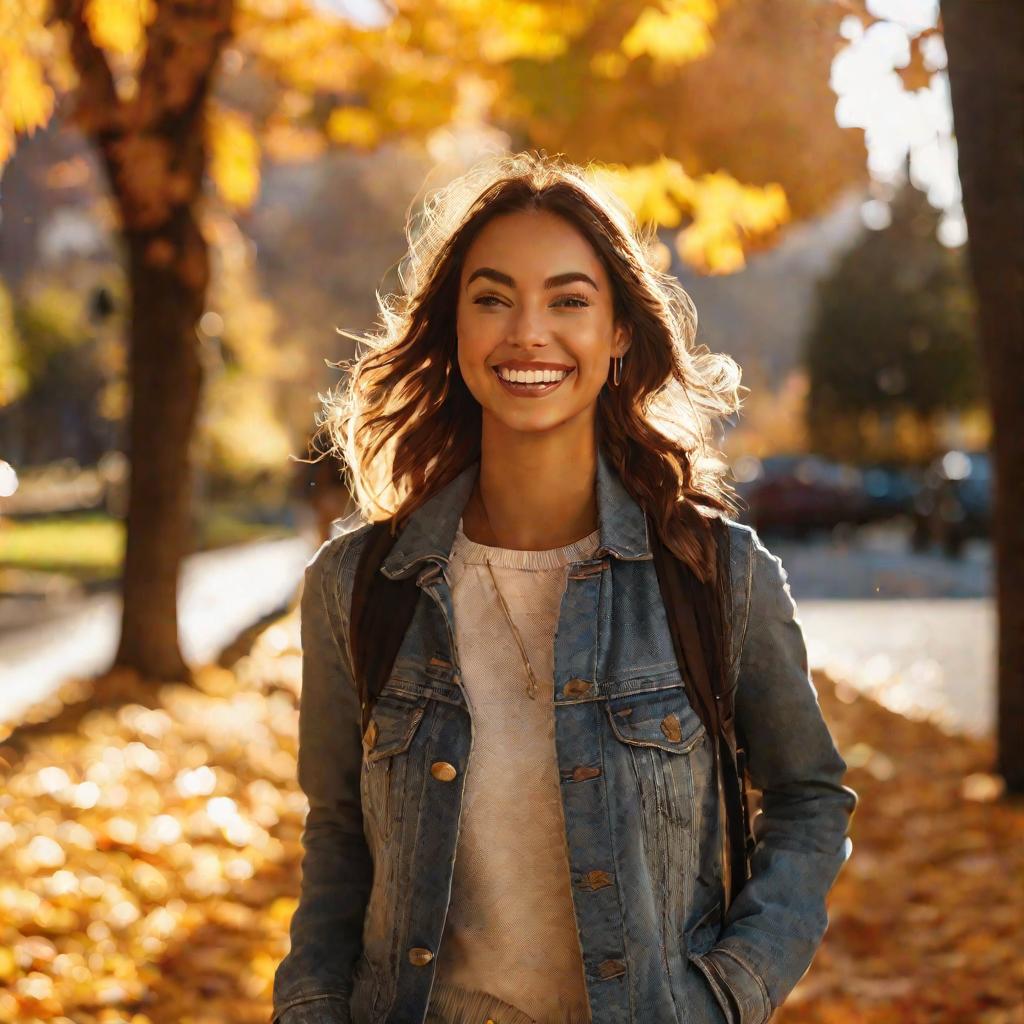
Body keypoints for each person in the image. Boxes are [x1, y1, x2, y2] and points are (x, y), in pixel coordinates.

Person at [272, 151, 858, 1024]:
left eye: (569, 300)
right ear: (454, 328)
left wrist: (729, 991)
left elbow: (810, 799)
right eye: (493, 298)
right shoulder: (358, 586)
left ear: (620, 331)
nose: (528, 334)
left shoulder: (715, 575)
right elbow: (338, 842)